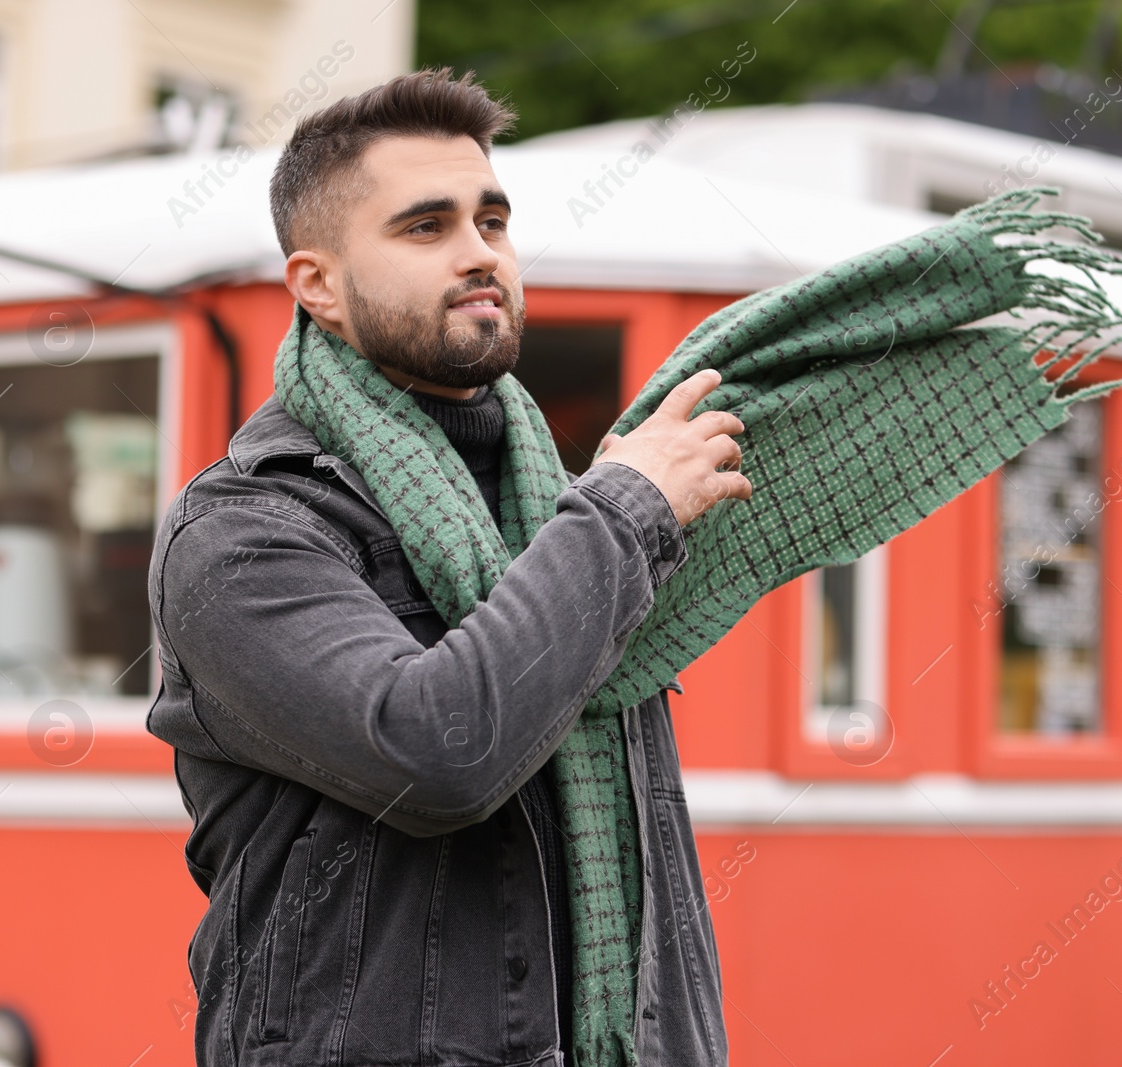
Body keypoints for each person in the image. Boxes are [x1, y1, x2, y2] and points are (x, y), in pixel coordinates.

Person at [146, 67, 748, 1066]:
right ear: (317, 285)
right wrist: (622, 510)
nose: (480, 254)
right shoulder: (241, 529)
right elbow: (436, 751)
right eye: (426, 227)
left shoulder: (553, 504)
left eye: (493, 220)